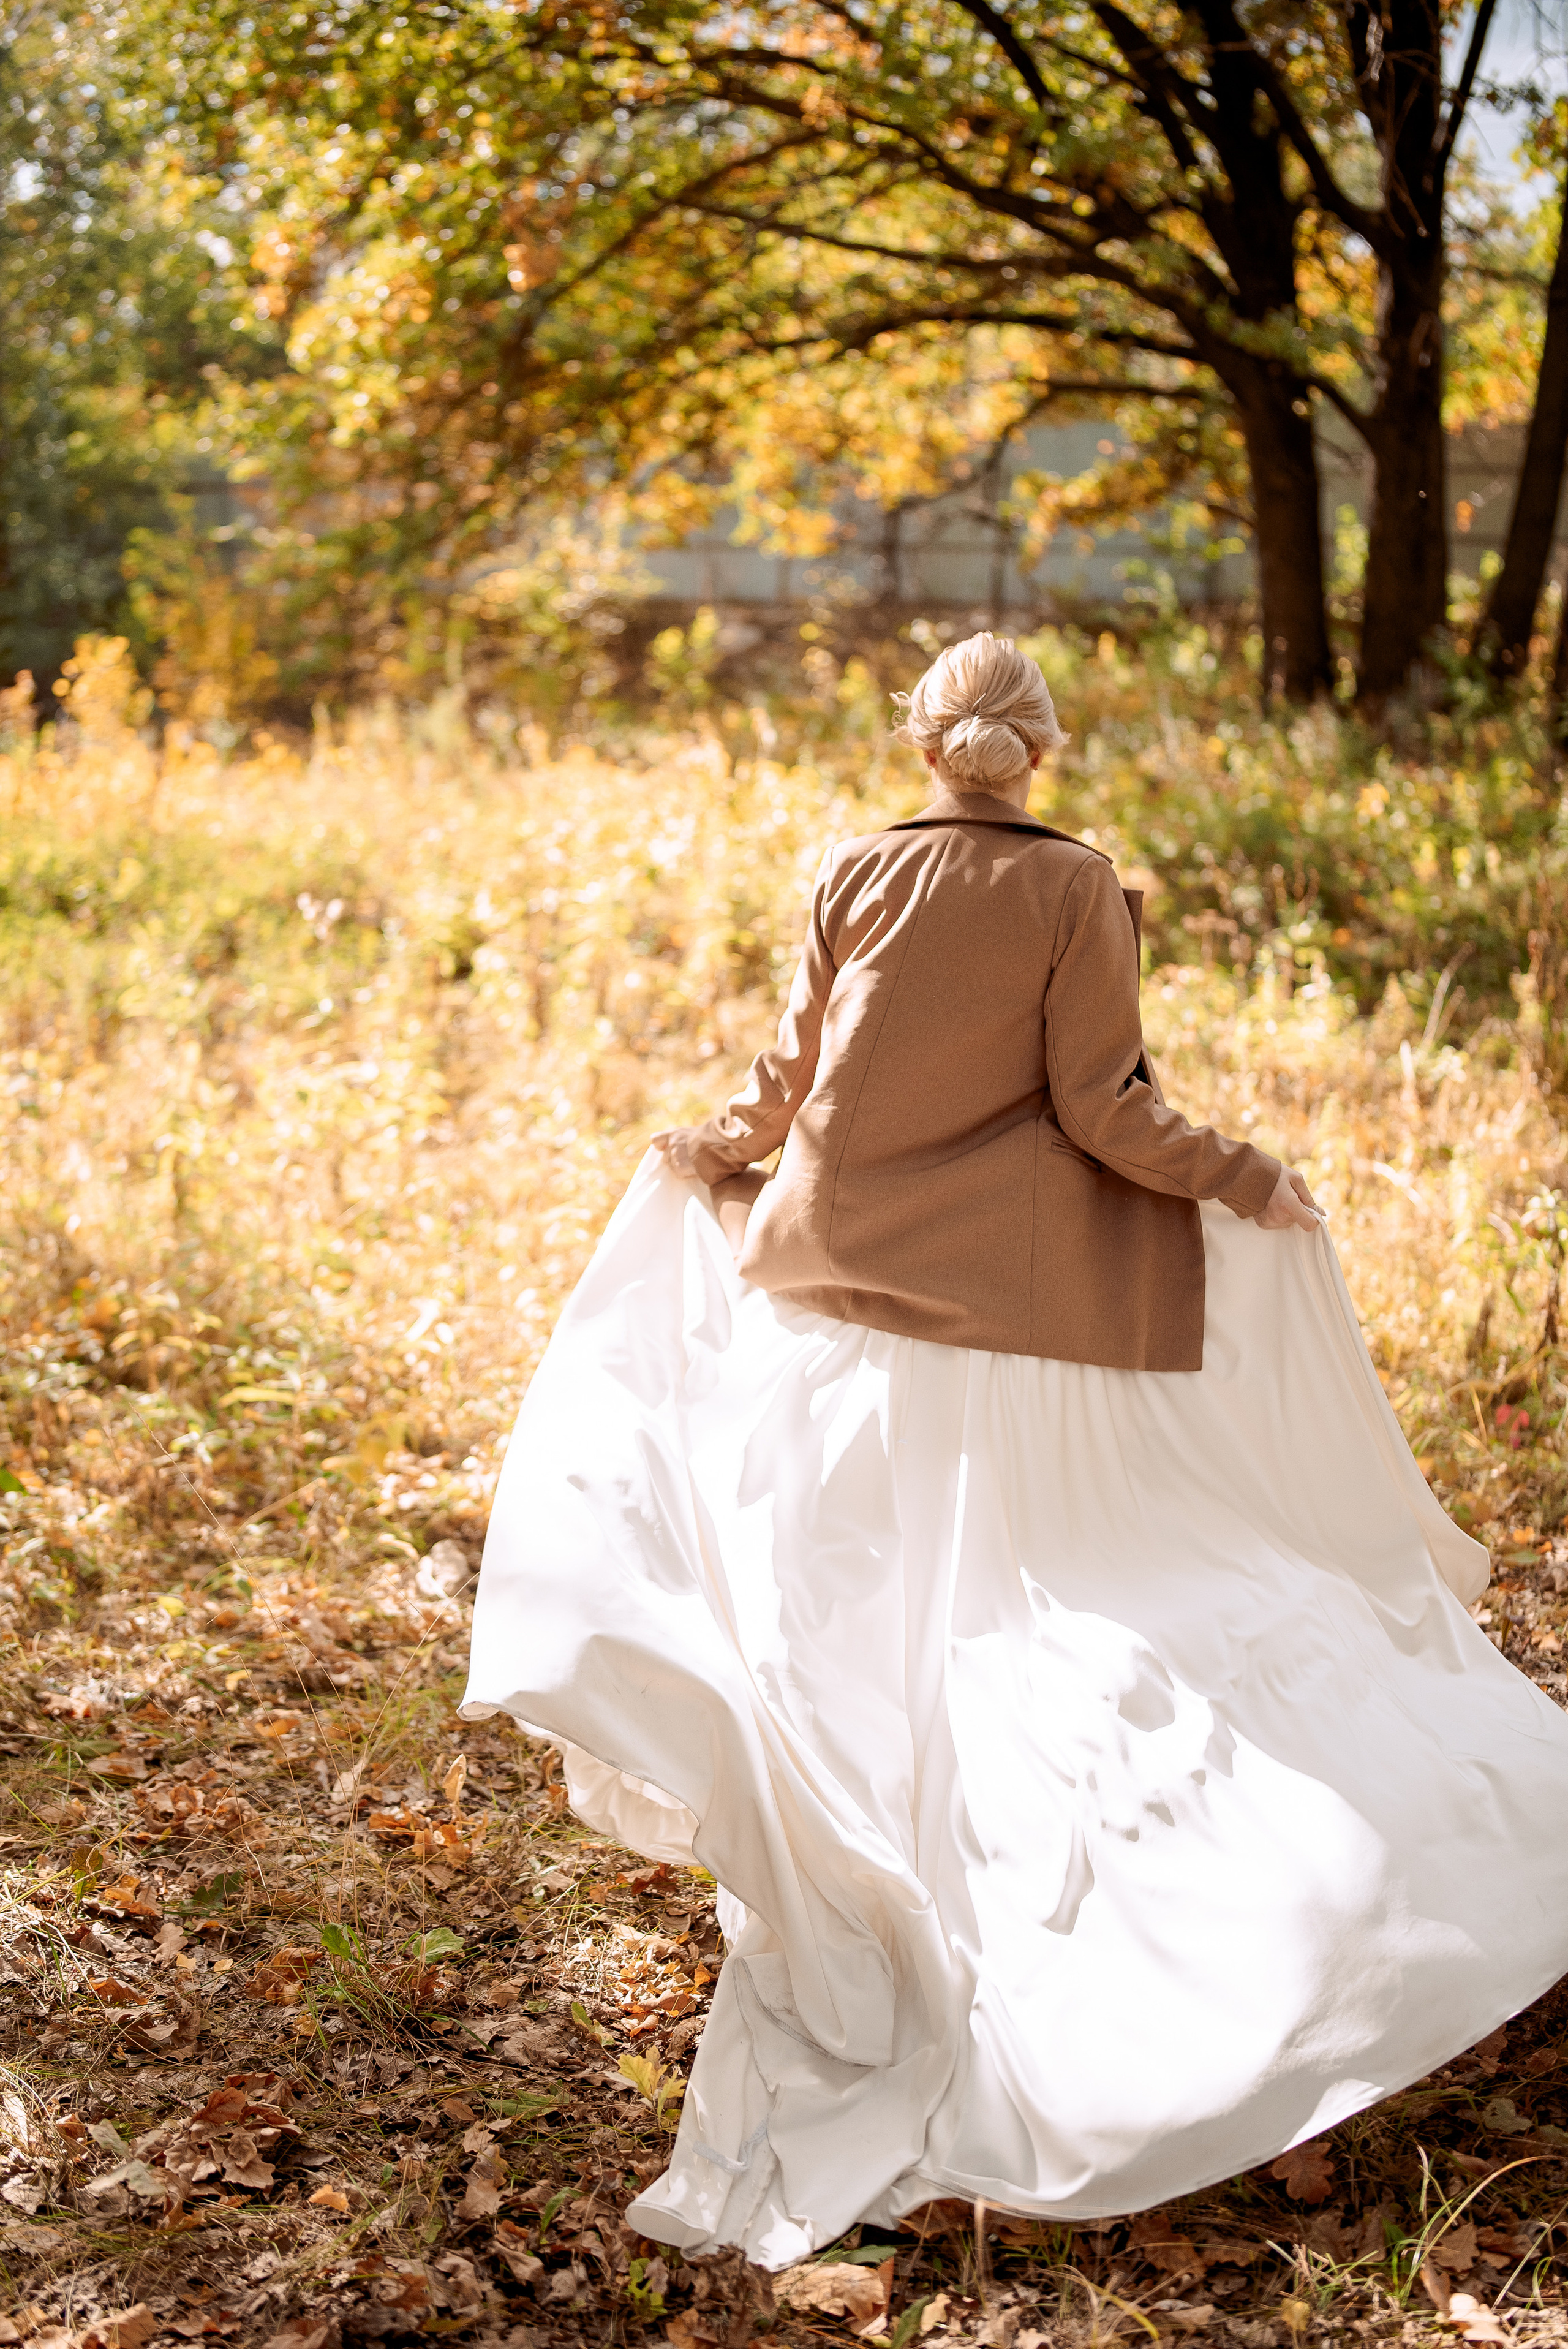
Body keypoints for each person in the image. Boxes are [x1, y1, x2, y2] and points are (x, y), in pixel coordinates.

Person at [461, 633, 1568, 2271]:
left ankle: (912, 1892)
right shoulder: (1081, 889)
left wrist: (720, 1143)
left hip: (841, 1308)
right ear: (1039, 749)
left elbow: (795, 1077)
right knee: (1071, 1616)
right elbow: (1105, 1109)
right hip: (1013, 1327)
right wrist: (1249, 1175)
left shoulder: (849, 869)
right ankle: (1172, 1949)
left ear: (924, 738)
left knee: (887, 1641)